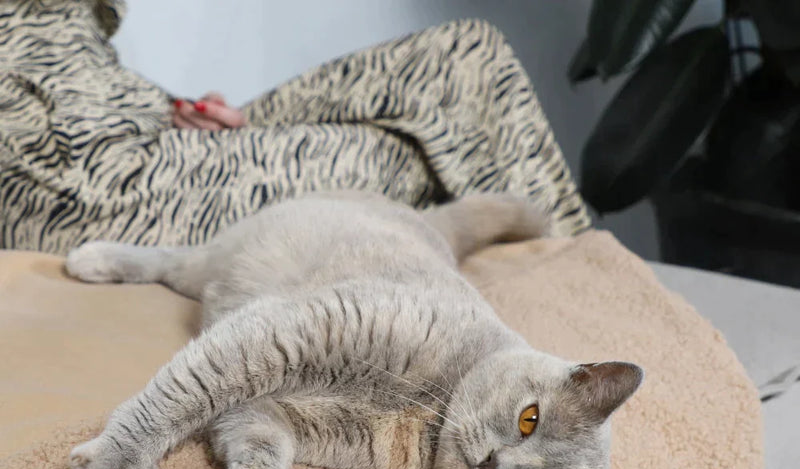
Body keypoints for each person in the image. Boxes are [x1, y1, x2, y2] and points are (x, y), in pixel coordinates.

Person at [0, 0, 589, 255]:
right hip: (96, 190)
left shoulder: (67, 23)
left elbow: (77, 82)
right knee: (413, 156)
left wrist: (172, 108)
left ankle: (581, 262)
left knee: (463, 56)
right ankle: (580, 274)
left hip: (143, 149)